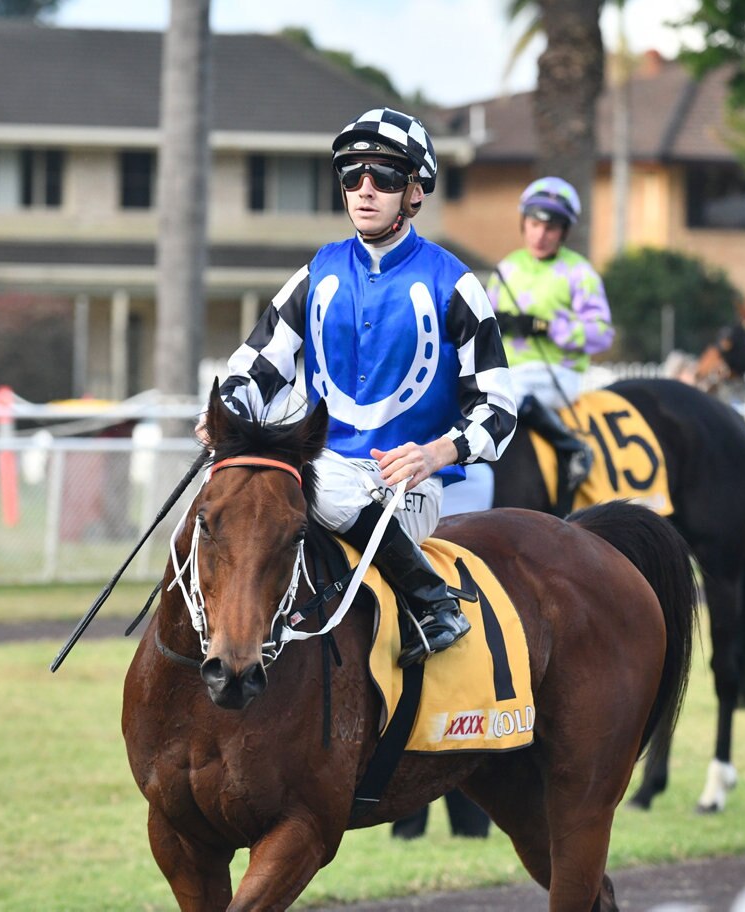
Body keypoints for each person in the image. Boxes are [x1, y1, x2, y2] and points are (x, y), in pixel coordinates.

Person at [211, 107, 518, 667]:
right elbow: (254, 367)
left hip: (406, 487)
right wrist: (227, 414)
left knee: (319, 487)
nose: (366, 189)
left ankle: (432, 602)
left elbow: (498, 410)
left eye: (386, 177)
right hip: (321, 472)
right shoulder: (318, 272)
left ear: (416, 192)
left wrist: (435, 453)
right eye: (353, 176)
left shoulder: (455, 283)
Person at [486, 176, 614, 516]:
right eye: (534, 224)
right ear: (523, 223)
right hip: (510, 371)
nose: (541, 235)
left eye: (551, 227)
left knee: (508, 391)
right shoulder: (506, 268)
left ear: (565, 231)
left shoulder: (579, 272)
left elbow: (602, 333)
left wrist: (546, 327)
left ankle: (572, 449)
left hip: (559, 373)